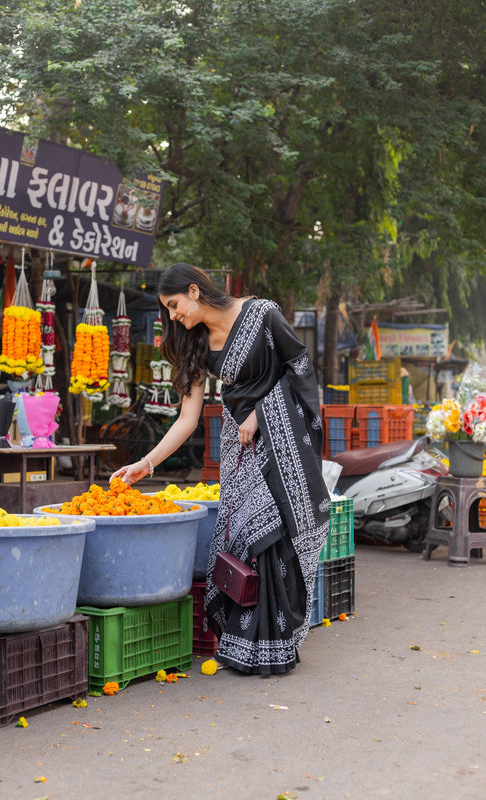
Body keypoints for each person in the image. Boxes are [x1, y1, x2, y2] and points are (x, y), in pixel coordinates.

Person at [111, 263, 330, 675]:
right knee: (249, 538)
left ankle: (276, 644)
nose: (174, 316)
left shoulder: (263, 314)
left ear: (194, 291)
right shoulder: (195, 343)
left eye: (174, 305)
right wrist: (146, 462)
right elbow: (186, 419)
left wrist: (261, 414)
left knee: (276, 538)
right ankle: (247, 645)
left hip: (281, 441)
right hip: (240, 450)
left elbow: (299, 366)